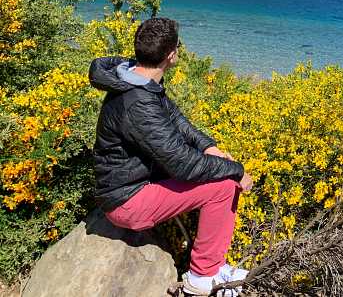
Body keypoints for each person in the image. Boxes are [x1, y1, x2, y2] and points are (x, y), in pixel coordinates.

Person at [89, 17, 253, 296]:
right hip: (127, 199)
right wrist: (235, 169)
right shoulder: (138, 103)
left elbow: (176, 118)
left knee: (216, 169)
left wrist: (207, 146)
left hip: (137, 180)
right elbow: (182, 165)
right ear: (172, 55)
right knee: (224, 186)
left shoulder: (135, 77)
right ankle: (204, 275)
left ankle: (213, 263)